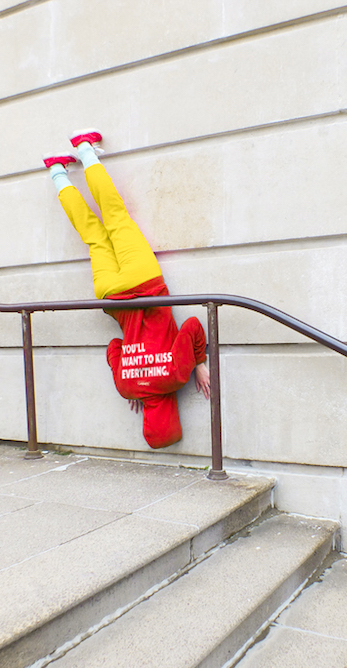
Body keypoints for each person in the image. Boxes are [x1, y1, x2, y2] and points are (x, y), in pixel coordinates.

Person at [43, 131, 210, 449]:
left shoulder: (176, 375)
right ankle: (56, 171)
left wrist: (199, 364)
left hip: (143, 283)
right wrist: (137, 387)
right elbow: (114, 345)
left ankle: (85, 150)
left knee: (115, 215)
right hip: (110, 296)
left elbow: (191, 327)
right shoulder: (126, 388)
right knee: (92, 234)